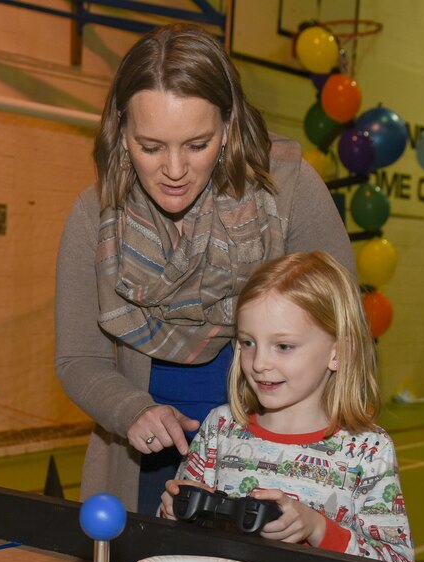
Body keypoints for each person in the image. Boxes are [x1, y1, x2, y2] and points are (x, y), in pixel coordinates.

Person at [55, 24, 354, 514]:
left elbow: (343, 327)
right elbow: (77, 359)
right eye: (150, 147)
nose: (174, 169)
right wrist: (131, 410)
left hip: (279, 460)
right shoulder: (94, 217)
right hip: (145, 463)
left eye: (197, 144)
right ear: (120, 133)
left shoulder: (289, 191)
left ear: (229, 126)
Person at [159, 251, 414, 562]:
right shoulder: (220, 428)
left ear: (339, 352)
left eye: (283, 346)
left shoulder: (368, 452)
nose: (260, 363)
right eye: (248, 343)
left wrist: (317, 528)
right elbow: (176, 536)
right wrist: (173, 512)